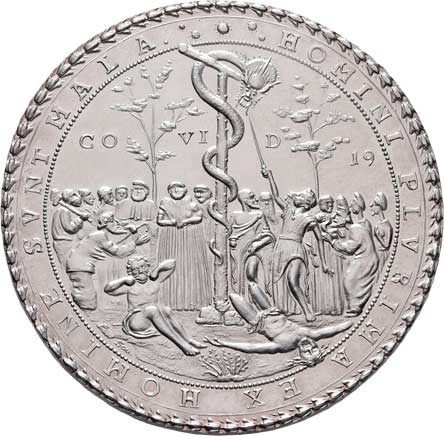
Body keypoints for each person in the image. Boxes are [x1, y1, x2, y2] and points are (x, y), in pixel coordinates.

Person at [206, 282, 353, 357]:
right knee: (253, 285)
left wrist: (225, 343)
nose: (309, 347)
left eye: (307, 352)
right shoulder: (311, 334)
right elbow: (334, 329)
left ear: (300, 353)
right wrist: (354, 323)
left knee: (234, 297)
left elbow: (252, 348)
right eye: (314, 348)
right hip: (271, 311)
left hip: (257, 321)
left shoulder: (284, 346)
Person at [262, 168, 331, 321]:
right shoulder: (288, 210)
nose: (296, 196)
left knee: (292, 280)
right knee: (278, 281)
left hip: (296, 249)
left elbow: (320, 239)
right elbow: (276, 196)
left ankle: (307, 311)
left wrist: (324, 263)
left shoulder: (309, 219)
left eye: (301, 195)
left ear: (306, 203)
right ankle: (284, 309)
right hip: (281, 247)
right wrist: (270, 175)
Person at [104, 256, 206, 356]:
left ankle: (188, 339)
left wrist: (157, 270)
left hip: (153, 318)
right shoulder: (129, 286)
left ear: (148, 267)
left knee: (166, 310)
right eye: (135, 269)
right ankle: (183, 345)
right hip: (136, 321)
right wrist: (124, 280)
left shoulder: (155, 280)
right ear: (131, 272)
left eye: (143, 267)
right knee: (152, 310)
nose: (140, 271)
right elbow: (108, 289)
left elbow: (172, 263)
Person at [65, 212, 150, 310]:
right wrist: (135, 243)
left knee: (87, 295)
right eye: (113, 222)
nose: (116, 224)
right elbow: (118, 252)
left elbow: (115, 243)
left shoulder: (100, 235)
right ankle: (84, 308)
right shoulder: (100, 235)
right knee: (88, 299)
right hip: (79, 266)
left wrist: (130, 231)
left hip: (79, 265)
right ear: (106, 224)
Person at [157, 181, 212, 310]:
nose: (176, 190)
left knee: (190, 265)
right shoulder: (165, 203)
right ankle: (169, 302)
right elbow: (159, 220)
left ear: (185, 190)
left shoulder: (191, 203)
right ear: (169, 191)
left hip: (190, 238)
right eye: (173, 188)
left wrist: (186, 221)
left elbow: (199, 217)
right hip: (170, 238)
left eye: (179, 188)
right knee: (171, 266)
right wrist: (171, 222)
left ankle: (194, 302)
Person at [327, 199, 379, 317]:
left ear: (345, 218)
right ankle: (354, 307)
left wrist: (333, 241)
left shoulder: (355, 228)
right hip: (363, 258)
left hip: (366, 260)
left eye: (337, 215)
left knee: (350, 281)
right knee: (350, 280)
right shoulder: (353, 228)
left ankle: (356, 307)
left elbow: (350, 248)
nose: (334, 217)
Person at [229, 189, 274, 296]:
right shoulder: (234, 215)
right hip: (238, 249)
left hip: (254, 248)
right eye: (252, 197)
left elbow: (268, 235)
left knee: (251, 274)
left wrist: (258, 244)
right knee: (238, 277)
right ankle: (243, 299)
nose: (255, 200)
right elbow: (228, 232)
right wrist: (231, 240)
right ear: (245, 200)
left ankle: (256, 301)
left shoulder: (259, 215)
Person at [312, 195, 345, 315]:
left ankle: (336, 307)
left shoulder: (334, 218)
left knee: (335, 278)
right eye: (327, 202)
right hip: (321, 250)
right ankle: (322, 308)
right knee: (321, 279)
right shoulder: (316, 218)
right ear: (321, 204)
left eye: (332, 202)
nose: (330, 205)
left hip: (334, 251)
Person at [51, 189, 89, 267]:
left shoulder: (63, 210)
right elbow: (70, 228)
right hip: (64, 243)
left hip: (64, 242)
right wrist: (80, 219)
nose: (78, 197)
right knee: (68, 264)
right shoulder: (64, 211)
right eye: (74, 195)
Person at [370, 192, 393, 277]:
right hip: (375, 254)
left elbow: (386, 245)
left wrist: (378, 236)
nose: (372, 207)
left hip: (382, 255)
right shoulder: (377, 224)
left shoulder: (387, 226)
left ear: (379, 206)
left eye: (374, 205)